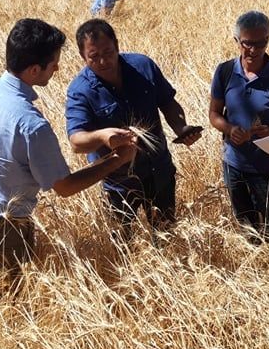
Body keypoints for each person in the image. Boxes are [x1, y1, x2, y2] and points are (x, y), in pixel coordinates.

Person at [0, 18, 137, 283]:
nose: (58, 68)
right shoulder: (32, 124)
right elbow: (64, 187)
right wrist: (115, 161)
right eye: (53, 64)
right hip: (0, 219)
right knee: (4, 299)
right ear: (35, 70)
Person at [65, 18, 201, 240]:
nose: (103, 60)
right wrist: (103, 136)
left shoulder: (143, 66)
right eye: (94, 56)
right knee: (123, 245)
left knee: (166, 237)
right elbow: (76, 141)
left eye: (108, 52)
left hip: (159, 171)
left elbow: (167, 102)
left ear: (117, 45)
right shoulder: (80, 91)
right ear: (83, 57)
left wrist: (181, 127)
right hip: (118, 182)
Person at [208, 10, 269, 242]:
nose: (254, 50)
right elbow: (214, 114)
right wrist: (229, 129)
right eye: (248, 44)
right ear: (236, 40)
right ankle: (254, 257)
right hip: (234, 162)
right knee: (245, 222)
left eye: (262, 43)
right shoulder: (225, 72)